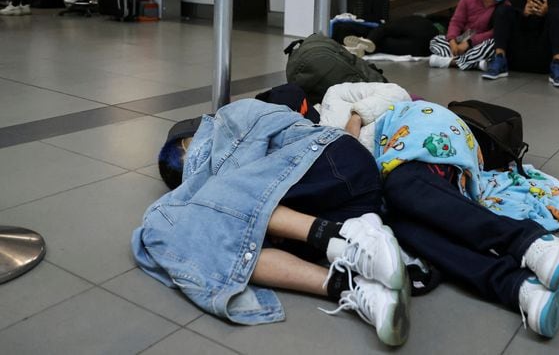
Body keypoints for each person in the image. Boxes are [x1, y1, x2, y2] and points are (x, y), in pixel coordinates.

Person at [134, 99, 411, 346]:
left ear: (193, 137)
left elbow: (244, 166)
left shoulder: (231, 117)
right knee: (229, 247)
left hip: (332, 161)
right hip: (343, 207)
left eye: (198, 155)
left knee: (224, 202)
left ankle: (351, 241)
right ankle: (354, 286)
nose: (201, 167)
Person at [344, 100, 559, 338]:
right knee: (400, 225)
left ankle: (525, 240)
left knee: (402, 184)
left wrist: (352, 119)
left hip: (427, 134)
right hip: (392, 172)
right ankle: (519, 287)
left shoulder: (342, 100)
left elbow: (372, 107)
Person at [481, 0, 559, 87]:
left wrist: (546, 13)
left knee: (557, 13)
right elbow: (495, 23)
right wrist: (523, 14)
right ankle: (499, 58)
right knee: (503, 10)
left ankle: (557, 63)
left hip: (543, 57)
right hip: (516, 55)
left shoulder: (556, 4)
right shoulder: (513, 1)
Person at [427, 0, 508, 70]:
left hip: (480, 43)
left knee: (493, 45)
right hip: (462, 39)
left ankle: (451, 62)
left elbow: (494, 32)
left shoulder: (505, 6)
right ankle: (474, 63)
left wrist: (469, 43)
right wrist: (452, 41)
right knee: (436, 40)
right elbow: (457, 21)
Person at [343, 15, 440, 57]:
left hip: (425, 28)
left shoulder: (418, 21)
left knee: (384, 32)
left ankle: (366, 42)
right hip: (425, 49)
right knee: (384, 44)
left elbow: (385, 28)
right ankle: (362, 47)